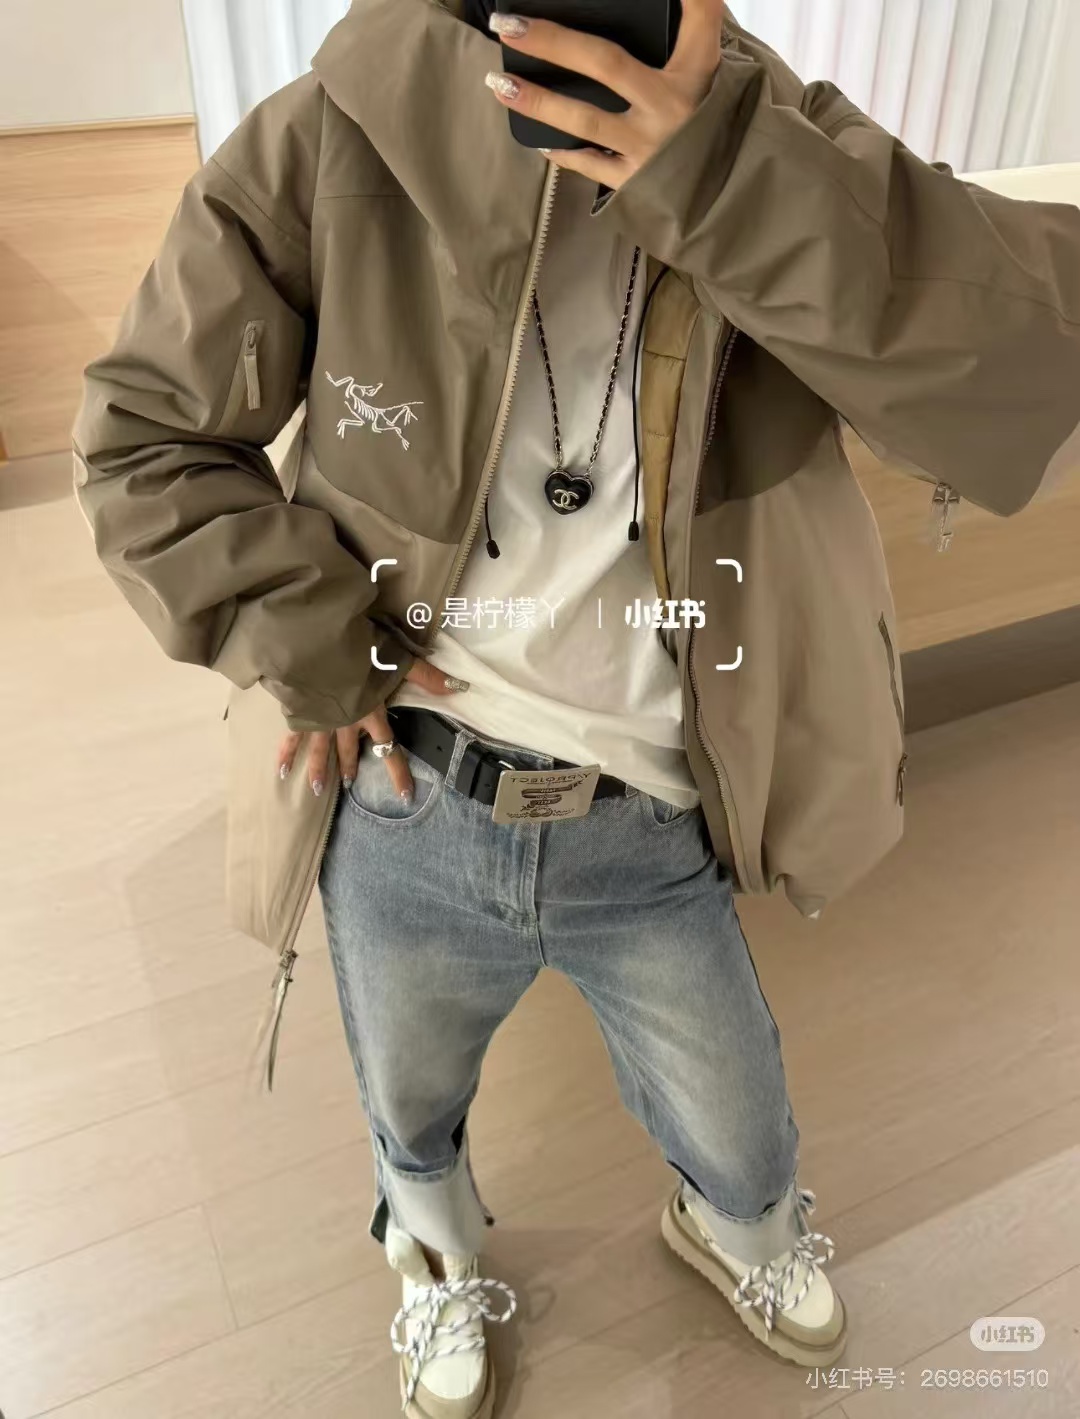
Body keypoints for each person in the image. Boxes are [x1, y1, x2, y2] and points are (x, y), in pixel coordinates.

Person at [73, 0, 1080, 1413]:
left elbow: (1028, 369)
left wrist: (729, 173)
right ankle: (429, 1250)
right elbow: (145, 437)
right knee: (409, 1102)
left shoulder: (779, 136)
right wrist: (308, 639)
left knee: (740, 1125)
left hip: (653, 805)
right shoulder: (331, 137)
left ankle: (742, 1227)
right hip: (406, 792)